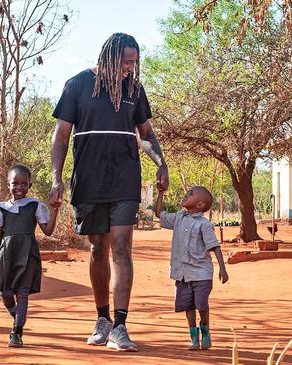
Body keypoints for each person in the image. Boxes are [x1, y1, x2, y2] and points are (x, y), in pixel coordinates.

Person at [49, 33, 169, 352]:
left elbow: (145, 134)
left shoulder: (134, 90)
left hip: (124, 178)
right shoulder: (77, 85)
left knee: (122, 247)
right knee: (97, 248)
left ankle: (120, 325)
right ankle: (102, 320)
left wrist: (160, 161)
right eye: (127, 61)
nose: (132, 67)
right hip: (88, 180)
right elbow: (61, 136)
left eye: (135, 62)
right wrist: (56, 178)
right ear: (110, 57)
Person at [0, 164, 59, 348]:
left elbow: (48, 231)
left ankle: (17, 332)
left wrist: (56, 210)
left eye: (24, 184)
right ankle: (17, 316)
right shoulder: (0, 209)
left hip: (28, 255)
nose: (19, 187)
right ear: (8, 184)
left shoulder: (35, 206)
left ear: (30, 185)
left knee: (23, 294)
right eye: (15, 183)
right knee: (6, 293)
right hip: (6, 256)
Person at [154, 185, 229, 350]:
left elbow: (214, 246)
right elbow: (159, 214)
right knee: (188, 306)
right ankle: (194, 338)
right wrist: (161, 193)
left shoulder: (204, 224)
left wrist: (222, 269)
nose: (186, 194)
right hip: (182, 274)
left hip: (201, 273)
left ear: (200, 205)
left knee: (201, 304)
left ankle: (205, 331)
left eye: (191, 193)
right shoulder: (178, 218)